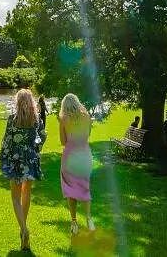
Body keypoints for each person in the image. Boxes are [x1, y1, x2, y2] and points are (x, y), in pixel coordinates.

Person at [0, 89, 46, 251]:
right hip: (31, 160)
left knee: (15, 198)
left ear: (17, 102)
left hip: (16, 161)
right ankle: (23, 231)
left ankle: (24, 229)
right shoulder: (36, 119)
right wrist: (35, 150)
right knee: (27, 193)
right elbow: (42, 137)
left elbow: (7, 141)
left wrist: (2, 157)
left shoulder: (13, 119)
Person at [59, 93, 95, 235]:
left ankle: (74, 222)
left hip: (70, 157)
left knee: (70, 190)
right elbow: (87, 135)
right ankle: (88, 218)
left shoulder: (63, 119)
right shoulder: (87, 117)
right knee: (84, 187)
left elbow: (63, 141)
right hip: (85, 155)